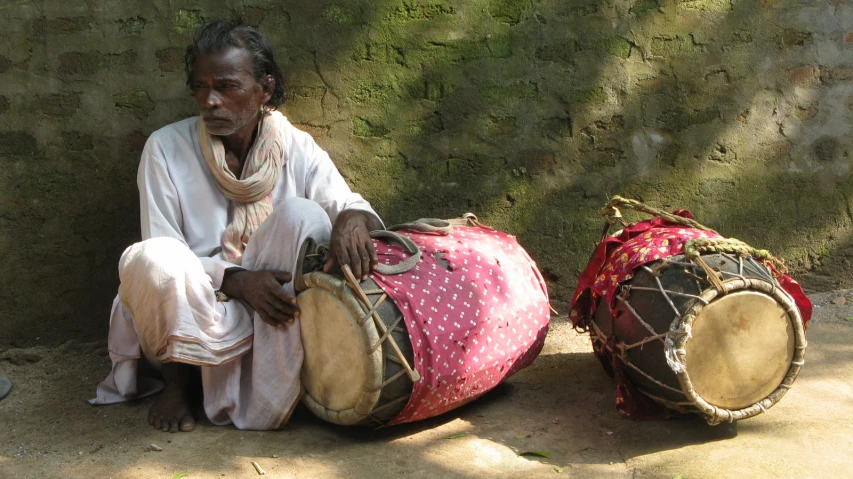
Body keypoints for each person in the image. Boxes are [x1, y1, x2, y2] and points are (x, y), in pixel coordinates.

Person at [90, 21, 383, 432]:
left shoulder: (294, 145)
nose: (209, 101)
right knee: (154, 258)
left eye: (226, 87)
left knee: (304, 214)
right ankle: (179, 383)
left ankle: (275, 383)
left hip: (274, 312)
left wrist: (351, 219)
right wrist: (237, 280)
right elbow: (165, 249)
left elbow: (351, 205)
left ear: (264, 88)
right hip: (191, 309)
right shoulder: (165, 148)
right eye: (200, 87)